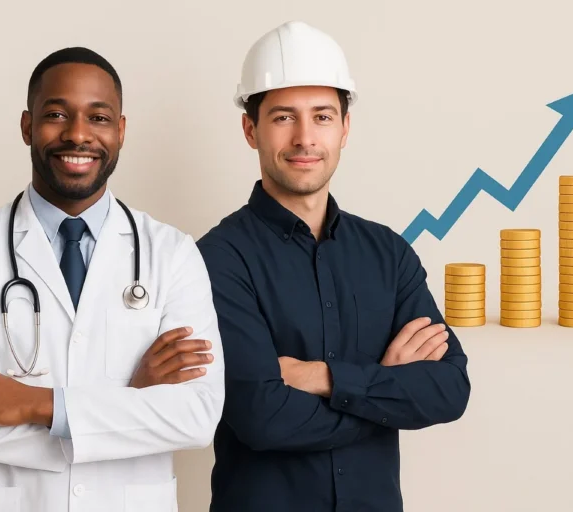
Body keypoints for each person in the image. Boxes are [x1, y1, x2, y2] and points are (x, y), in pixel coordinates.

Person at [0, 47, 224, 512]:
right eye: (57, 114)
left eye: (98, 118)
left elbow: (197, 419)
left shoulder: (172, 253)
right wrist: (129, 403)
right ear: (26, 126)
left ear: (120, 131)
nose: (78, 134)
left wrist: (35, 405)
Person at [197, 21, 471, 511]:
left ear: (345, 128)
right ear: (249, 128)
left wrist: (323, 377)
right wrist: (383, 389)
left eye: (322, 116)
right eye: (283, 117)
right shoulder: (217, 258)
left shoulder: (389, 254)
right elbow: (261, 417)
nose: (305, 138)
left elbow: (449, 389)